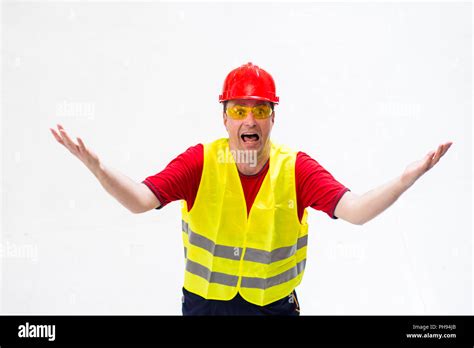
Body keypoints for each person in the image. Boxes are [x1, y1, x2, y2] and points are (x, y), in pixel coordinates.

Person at [50, 62, 452, 316]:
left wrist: (405, 180)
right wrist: (97, 167)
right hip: (205, 306)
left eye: (260, 109)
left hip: (272, 308)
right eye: (239, 110)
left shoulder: (296, 169)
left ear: (272, 119)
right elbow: (140, 200)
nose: (250, 119)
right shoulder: (199, 162)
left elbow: (356, 210)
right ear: (225, 118)